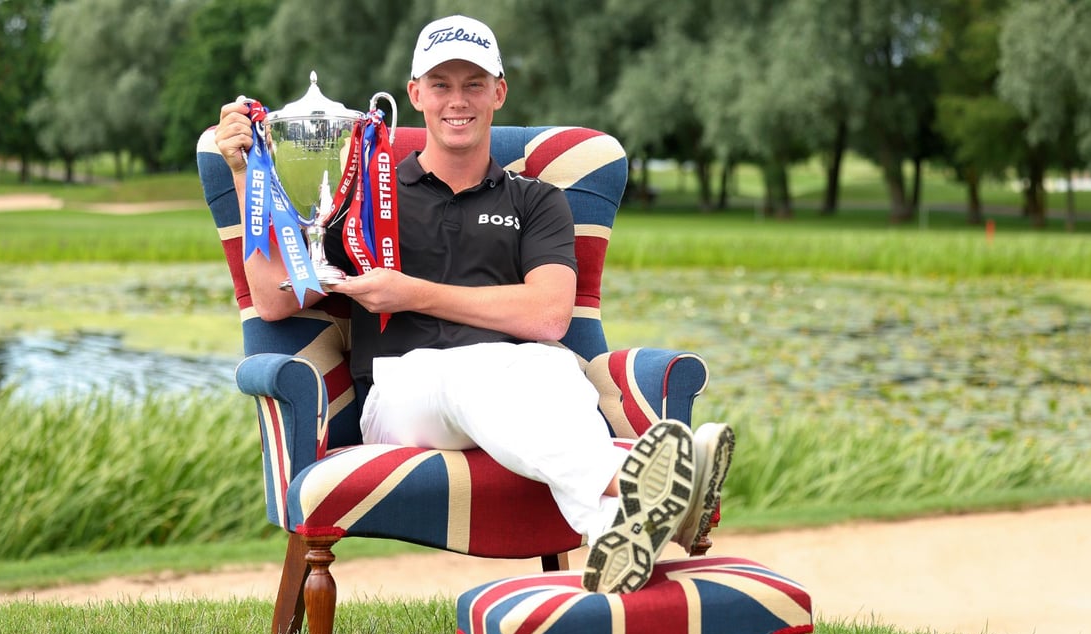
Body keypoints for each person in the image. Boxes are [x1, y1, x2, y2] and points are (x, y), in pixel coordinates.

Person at [213, 14, 734, 594]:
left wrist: (413, 294)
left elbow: (548, 317)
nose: (456, 100)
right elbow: (274, 301)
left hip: (522, 380)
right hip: (402, 396)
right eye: (441, 84)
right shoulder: (362, 194)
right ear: (414, 94)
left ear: (498, 92)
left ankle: (615, 529)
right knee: (477, 371)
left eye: (473, 84)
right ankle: (642, 481)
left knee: (554, 367)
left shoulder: (539, 201)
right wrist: (244, 174)